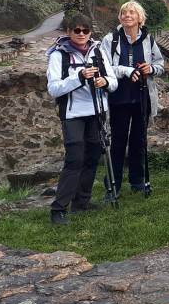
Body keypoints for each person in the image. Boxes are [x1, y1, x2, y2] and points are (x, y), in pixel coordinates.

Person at [46, 14, 118, 225]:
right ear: (68, 32)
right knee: (75, 159)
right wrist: (78, 77)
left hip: (97, 111)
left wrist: (104, 81)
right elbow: (54, 88)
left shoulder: (98, 51)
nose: (81, 34)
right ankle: (58, 209)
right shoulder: (59, 55)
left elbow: (113, 82)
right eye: (76, 30)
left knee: (92, 157)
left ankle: (82, 202)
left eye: (85, 31)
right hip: (73, 114)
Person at [100, 0, 166, 195]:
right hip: (118, 98)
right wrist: (125, 71)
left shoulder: (148, 40)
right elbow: (104, 68)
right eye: (124, 13)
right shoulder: (110, 39)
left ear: (140, 18)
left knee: (139, 141)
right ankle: (113, 185)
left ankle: (138, 182)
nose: (127, 15)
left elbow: (160, 65)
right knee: (118, 143)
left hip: (141, 97)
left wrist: (151, 68)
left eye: (132, 13)